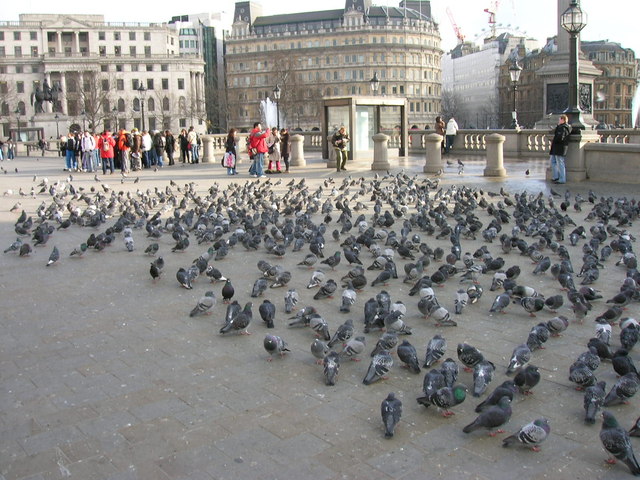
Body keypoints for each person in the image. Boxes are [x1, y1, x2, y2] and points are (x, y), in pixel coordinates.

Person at [549, 114, 572, 184]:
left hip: (559, 148)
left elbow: (561, 137)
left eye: (559, 119)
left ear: (563, 120)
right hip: (557, 148)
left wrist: (555, 140)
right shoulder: (561, 127)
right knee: (553, 161)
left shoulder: (563, 128)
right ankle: (555, 176)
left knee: (560, 163)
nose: (558, 121)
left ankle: (562, 179)